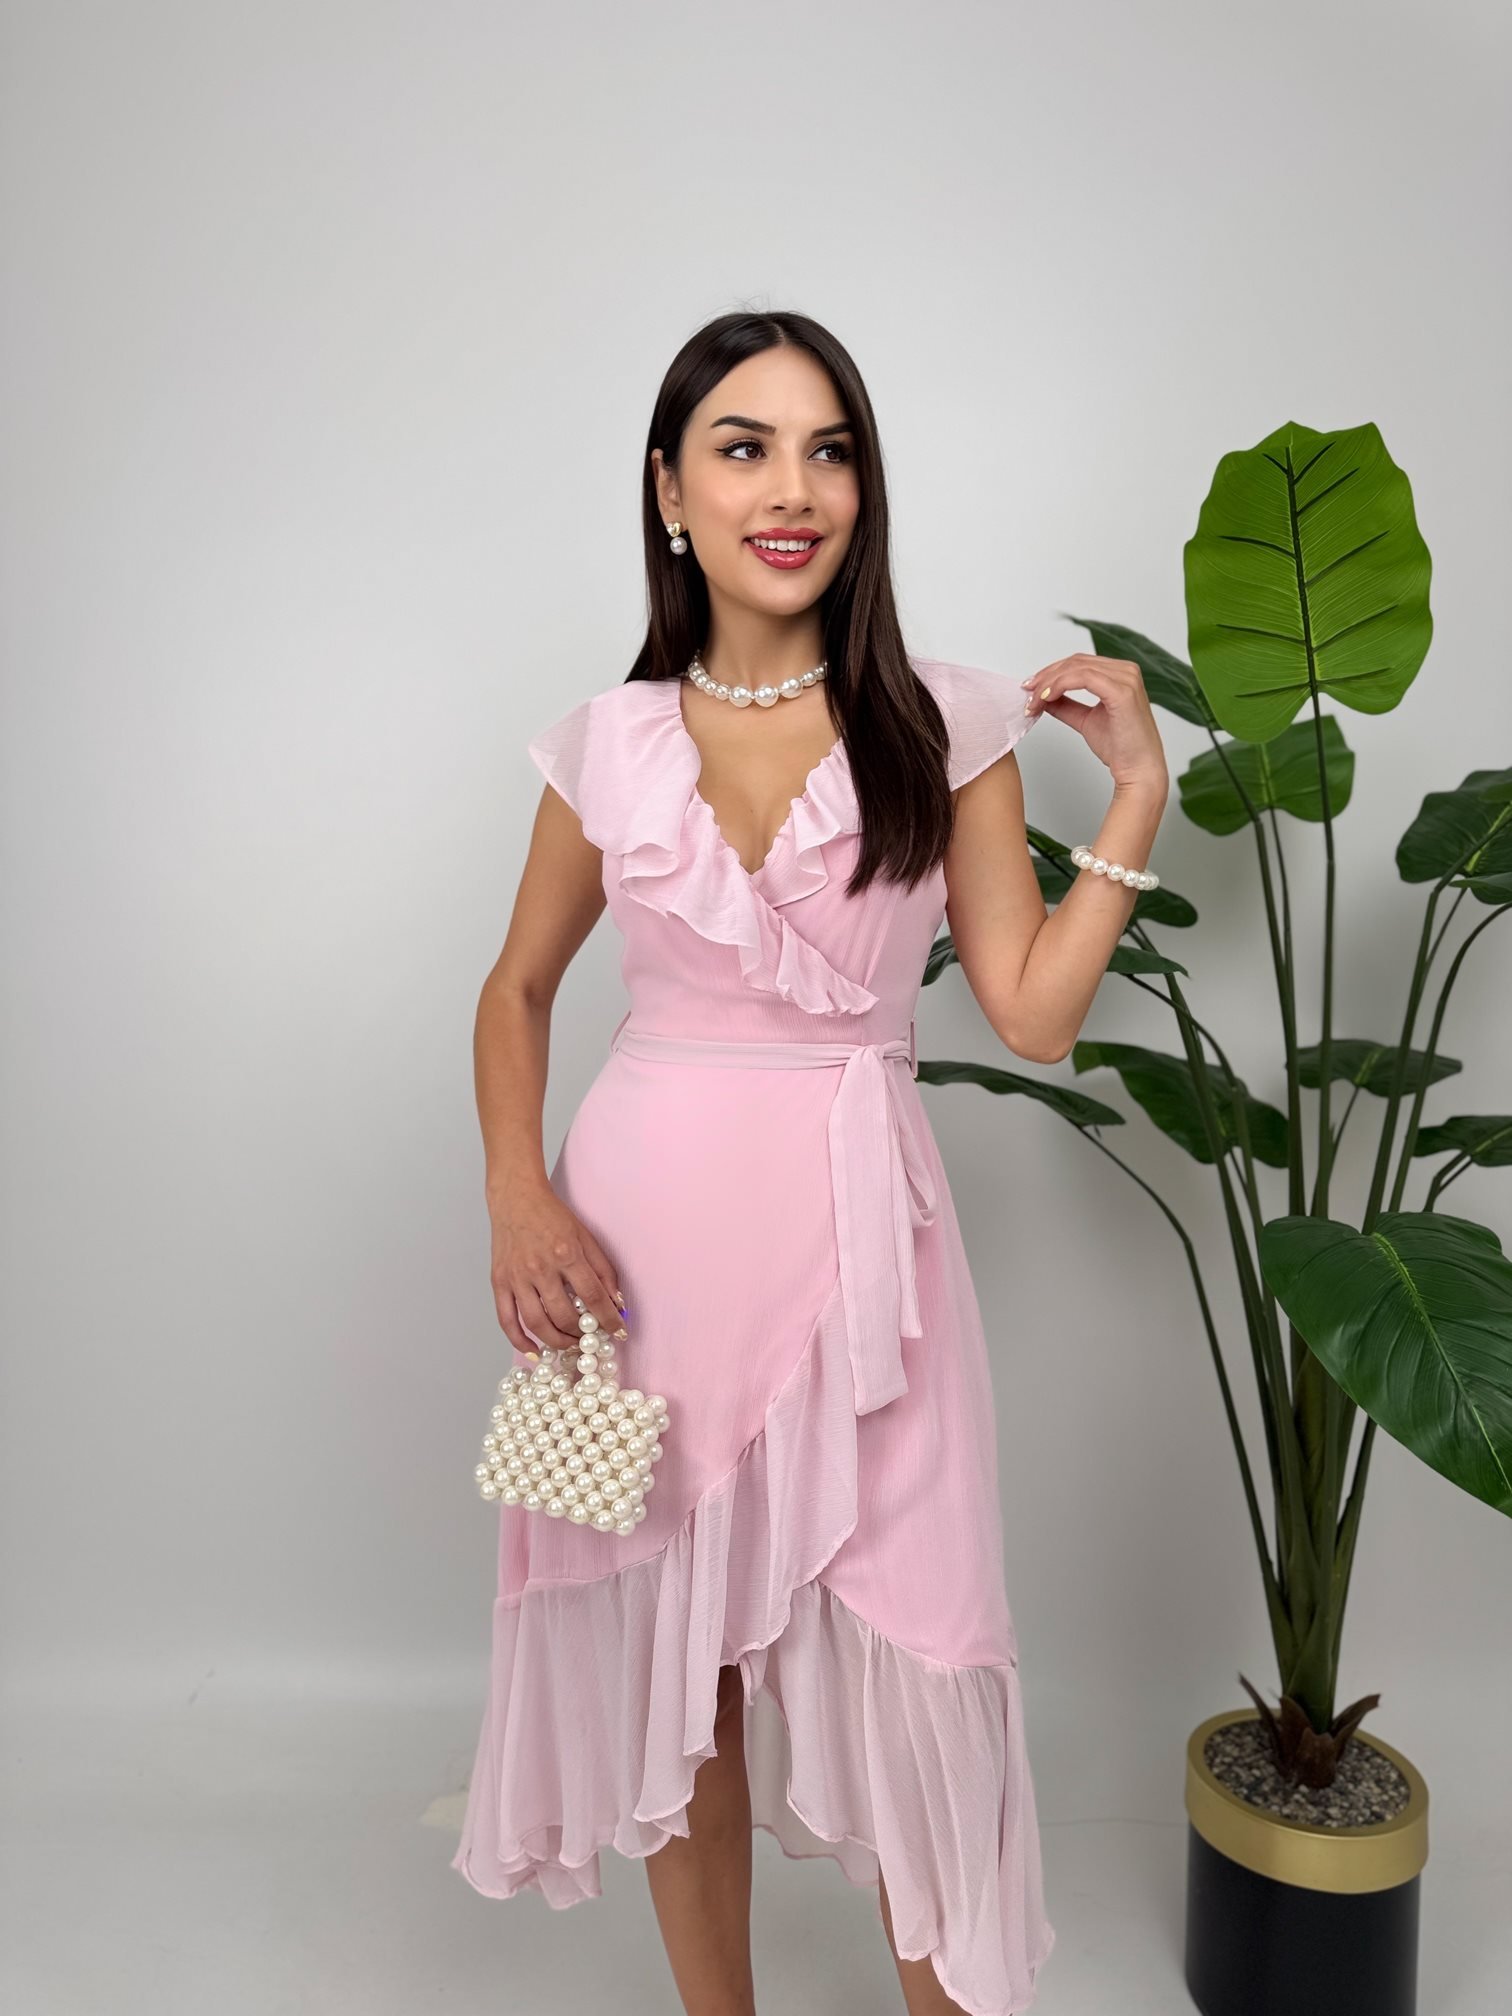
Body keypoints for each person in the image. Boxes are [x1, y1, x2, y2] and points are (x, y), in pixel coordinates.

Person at [451, 307, 1170, 2016]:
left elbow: (1034, 1014)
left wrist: (1134, 797)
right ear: (670, 491)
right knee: (672, 1672)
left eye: (829, 450)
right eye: (745, 447)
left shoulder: (946, 722)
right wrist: (516, 1195)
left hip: (867, 1274)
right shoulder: (606, 742)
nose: (793, 489)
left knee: (922, 1653)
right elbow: (517, 988)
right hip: (630, 1265)